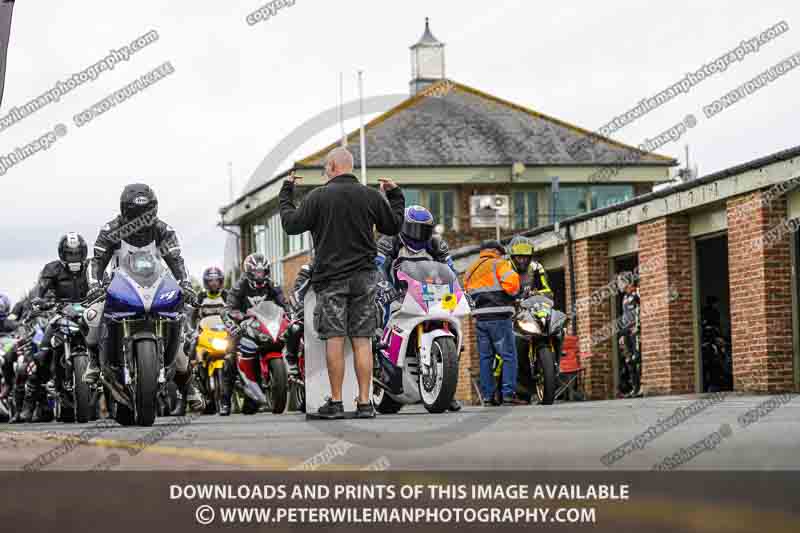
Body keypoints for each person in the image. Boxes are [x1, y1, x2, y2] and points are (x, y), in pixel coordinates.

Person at [279, 146, 404, 419]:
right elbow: (393, 226)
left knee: (334, 339)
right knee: (362, 340)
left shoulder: (318, 197)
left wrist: (286, 192)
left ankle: (335, 402)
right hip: (364, 279)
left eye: (326, 167)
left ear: (333, 167)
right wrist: (394, 195)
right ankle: (364, 402)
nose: (325, 171)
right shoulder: (371, 196)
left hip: (331, 280)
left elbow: (290, 224)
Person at [83, 183, 196, 390]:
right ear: (125, 210)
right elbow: (97, 260)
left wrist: (186, 284)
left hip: (156, 286)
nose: (141, 218)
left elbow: (176, 260)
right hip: (119, 287)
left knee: (179, 318)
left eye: (146, 212)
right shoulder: (111, 230)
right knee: (92, 313)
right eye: (136, 213)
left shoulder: (164, 230)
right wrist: (94, 285)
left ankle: (189, 389)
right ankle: (93, 361)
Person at [375, 205, 462, 412]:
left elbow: (450, 269)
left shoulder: (436, 244)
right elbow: (377, 265)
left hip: (429, 294)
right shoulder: (390, 241)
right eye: (414, 229)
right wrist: (383, 285)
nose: (419, 234)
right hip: (396, 293)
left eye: (424, 229)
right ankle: (378, 358)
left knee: (450, 325)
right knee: (379, 311)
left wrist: (460, 290)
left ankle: (446, 391)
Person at [20, 233, 92, 423]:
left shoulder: (92, 267)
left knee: (110, 343)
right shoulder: (52, 269)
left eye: (77, 254)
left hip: (88, 314)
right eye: (70, 254)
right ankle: (30, 403)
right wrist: (38, 301)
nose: (74, 258)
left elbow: (104, 283)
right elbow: (40, 290)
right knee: (41, 355)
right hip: (62, 314)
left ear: (83, 253)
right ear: (62, 254)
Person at [219, 253, 287, 416]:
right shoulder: (239, 286)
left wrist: (289, 314)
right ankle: (225, 401)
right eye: (256, 272)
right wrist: (235, 318)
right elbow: (228, 309)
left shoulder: (272, 285)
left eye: (262, 272)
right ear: (249, 272)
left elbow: (282, 303)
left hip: (264, 326)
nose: (259, 275)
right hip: (241, 327)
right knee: (229, 358)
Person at [464, 240, 521, 406]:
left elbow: (466, 293)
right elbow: (512, 286)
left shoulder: (470, 269)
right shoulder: (499, 264)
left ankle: (488, 397)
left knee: (485, 359)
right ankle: (508, 394)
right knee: (509, 356)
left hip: (480, 319)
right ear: (497, 251)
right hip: (499, 317)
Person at [171, 266, 228, 416]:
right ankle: (187, 388)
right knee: (188, 355)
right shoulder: (201, 297)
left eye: (217, 281)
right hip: (204, 334)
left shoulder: (227, 296)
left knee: (238, 352)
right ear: (205, 283)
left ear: (221, 282)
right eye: (211, 281)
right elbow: (192, 315)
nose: (214, 284)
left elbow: (234, 312)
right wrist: (192, 330)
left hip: (223, 334)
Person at [507, 235, 553, 403]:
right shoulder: (505, 269)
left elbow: (547, 289)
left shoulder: (536, 267)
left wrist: (539, 294)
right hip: (512, 313)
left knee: (552, 326)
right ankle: (516, 387)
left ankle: (551, 360)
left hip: (532, 309)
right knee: (513, 344)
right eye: (519, 257)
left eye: (525, 256)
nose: (522, 260)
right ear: (512, 257)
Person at [619, 278, 641, 397]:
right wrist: (622, 334)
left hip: (635, 330)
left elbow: (643, 309)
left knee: (636, 357)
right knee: (628, 359)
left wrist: (638, 326)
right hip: (626, 330)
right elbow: (624, 316)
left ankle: (641, 386)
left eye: (622, 282)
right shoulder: (625, 297)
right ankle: (634, 388)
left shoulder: (637, 293)